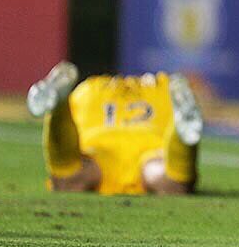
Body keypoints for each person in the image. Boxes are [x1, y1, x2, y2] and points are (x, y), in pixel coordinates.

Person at [27, 61, 202, 195]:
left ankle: (59, 105)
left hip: (96, 153)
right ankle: (180, 129)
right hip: (153, 153)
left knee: (70, 179)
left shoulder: (89, 89)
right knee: (170, 182)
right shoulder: (164, 87)